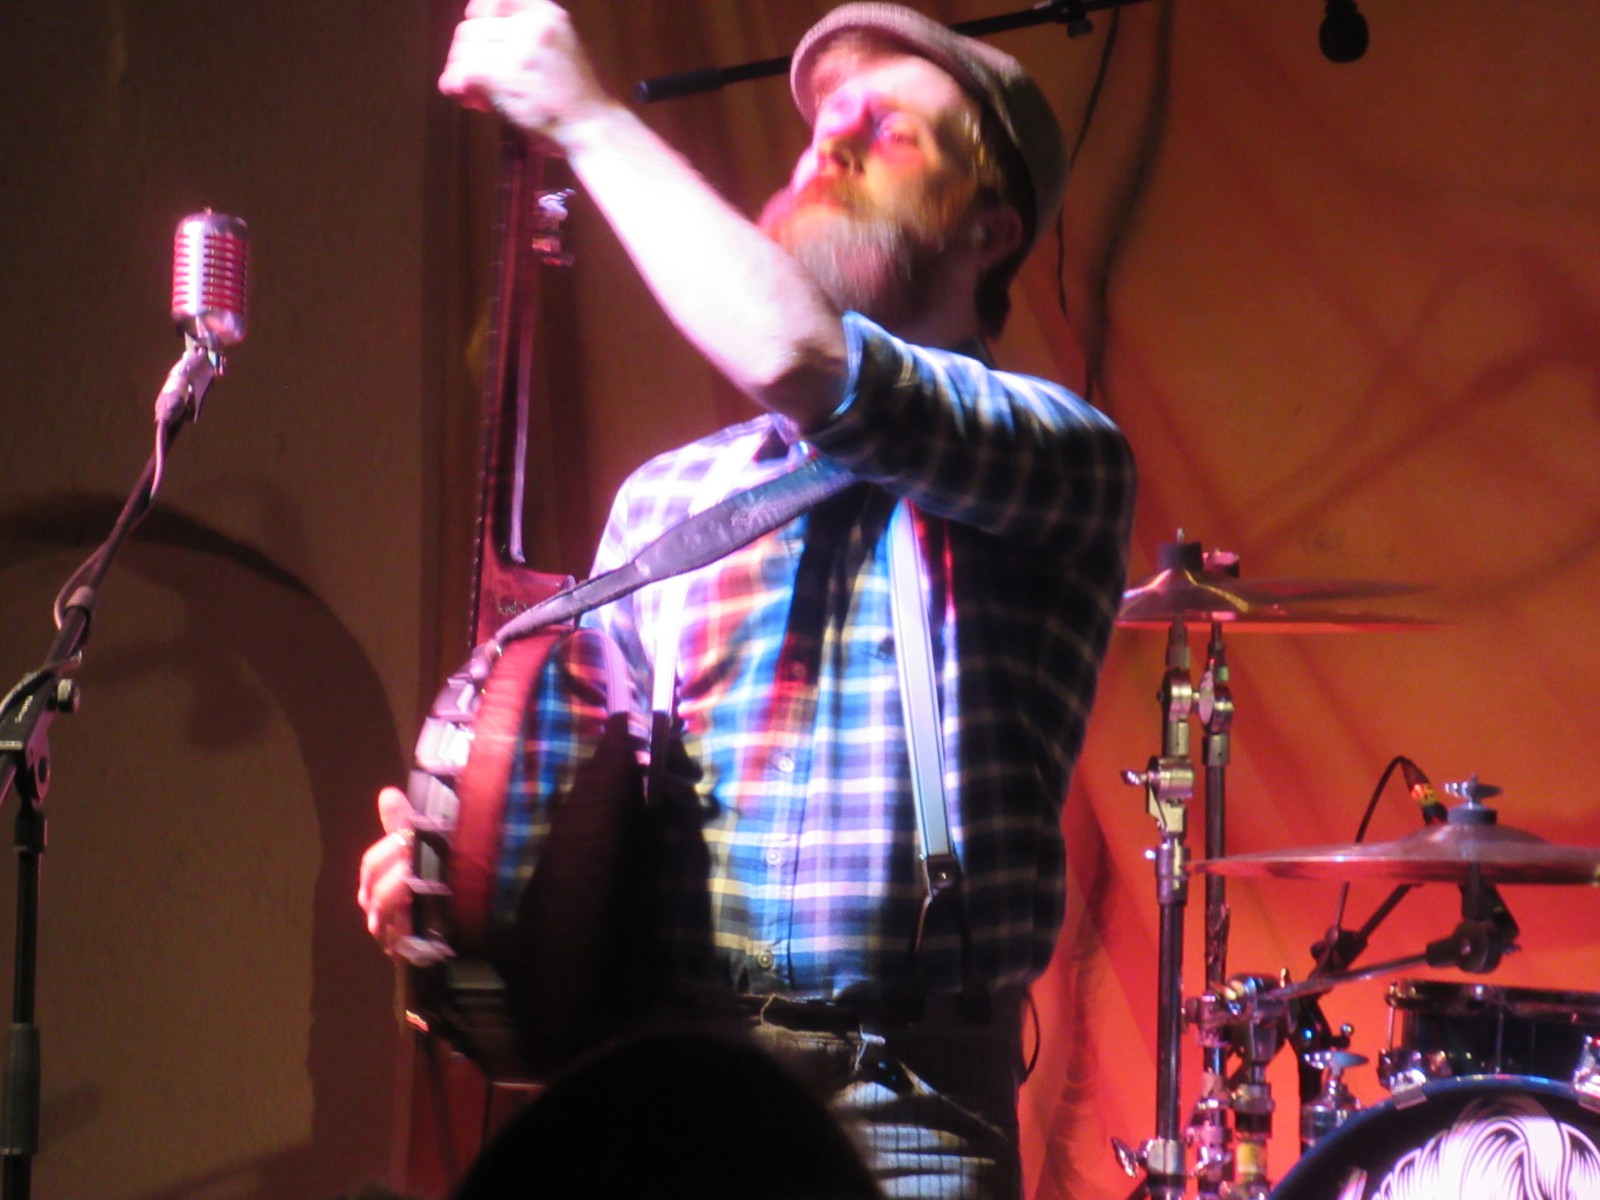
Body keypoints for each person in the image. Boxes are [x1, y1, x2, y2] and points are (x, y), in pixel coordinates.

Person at [360, 3, 1136, 1196]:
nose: (830, 144)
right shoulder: (669, 499)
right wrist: (465, 874)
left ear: (990, 228)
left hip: (902, 1112)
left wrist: (587, 118)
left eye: (888, 132)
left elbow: (807, 364)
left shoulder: (1057, 453)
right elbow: (603, 834)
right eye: (821, 127)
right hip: (673, 1090)